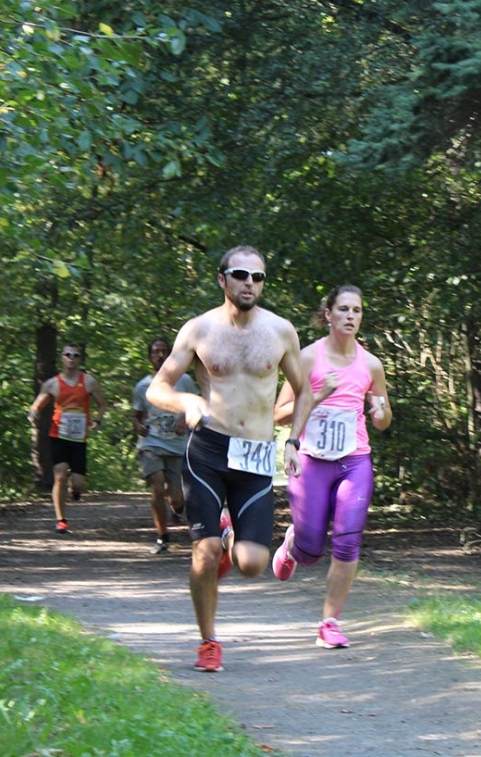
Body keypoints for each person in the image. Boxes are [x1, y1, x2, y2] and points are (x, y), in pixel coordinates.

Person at [147, 245, 316, 673]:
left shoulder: (281, 332)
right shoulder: (199, 330)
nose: (250, 284)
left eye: (258, 277)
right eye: (241, 275)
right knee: (202, 554)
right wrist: (185, 400)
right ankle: (209, 642)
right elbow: (156, 388)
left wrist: (293, 441)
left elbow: (305, 391)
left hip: (256, 456)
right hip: (208, 450)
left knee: (252, 564)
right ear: (222, 280)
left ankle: (228, 540)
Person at [271, 285, 392, 649]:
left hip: (354, 460)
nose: (350, 316)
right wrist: (318, 396)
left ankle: (330, 622)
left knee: (348, 540)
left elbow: (384, 420)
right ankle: (293, 544)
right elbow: (278, 415)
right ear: (328, 314)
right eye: (343, 309)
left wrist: (381, 412)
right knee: (310, 551)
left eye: (356, 310)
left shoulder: (371, 365)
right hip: (312, 460)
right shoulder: (307, 359)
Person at [27, 344, 108, 534]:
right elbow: (36, 405)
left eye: (75, 355)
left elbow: (102, 405)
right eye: (67, 355)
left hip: (79, 438)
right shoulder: (52, 384)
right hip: (59, 435)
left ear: (80, 359)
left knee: (78, 482)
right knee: (60, 475)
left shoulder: (88, 382)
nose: (71, 358)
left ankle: (76, 490)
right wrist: (33, 414)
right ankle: (61, 520)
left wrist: (97, 420)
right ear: (62, 358)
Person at [132, 338, 198, 555]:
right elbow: (137, 417)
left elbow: (198, 406)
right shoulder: (142, 386)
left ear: (170, 356)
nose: (159, 355)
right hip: (151, 443)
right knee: (157, 486)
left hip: (177, 445)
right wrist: (139, 426)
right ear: (150, 357)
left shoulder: (185, 381)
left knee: (177, 498)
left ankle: (177, 509)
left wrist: (184, 418)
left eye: (163, 352)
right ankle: (162, 536)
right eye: (155, 352)